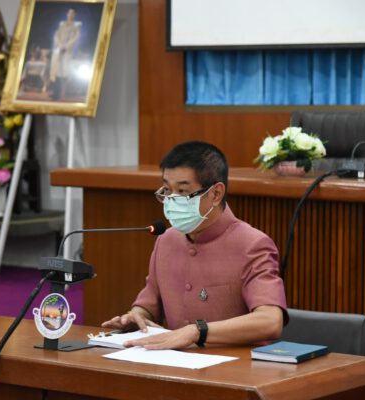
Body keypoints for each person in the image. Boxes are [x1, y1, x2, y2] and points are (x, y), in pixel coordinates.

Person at [101, 141, 288, 350]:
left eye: (182, 191)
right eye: (167, 190)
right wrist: (137, 316)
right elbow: (149, 304)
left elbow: (270, 321)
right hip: (173, 363)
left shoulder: (253, 244)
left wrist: (197, 331)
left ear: (216, 194)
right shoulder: (166, 240)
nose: (171, 200)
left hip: (233, 365)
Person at [48, 8, 81, 100]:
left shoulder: (76, 26)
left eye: (72, 13)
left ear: (75, 15)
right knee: (55, 71)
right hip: (58, 49)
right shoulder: (62, 24)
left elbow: (75, 38)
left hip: (67, 51)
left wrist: (66, 46)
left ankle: (61, 93)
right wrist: (59, 44)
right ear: (67, 14)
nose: (70, 15)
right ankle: (55, 92)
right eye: (69, 13)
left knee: (64, 72)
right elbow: (56, 35)